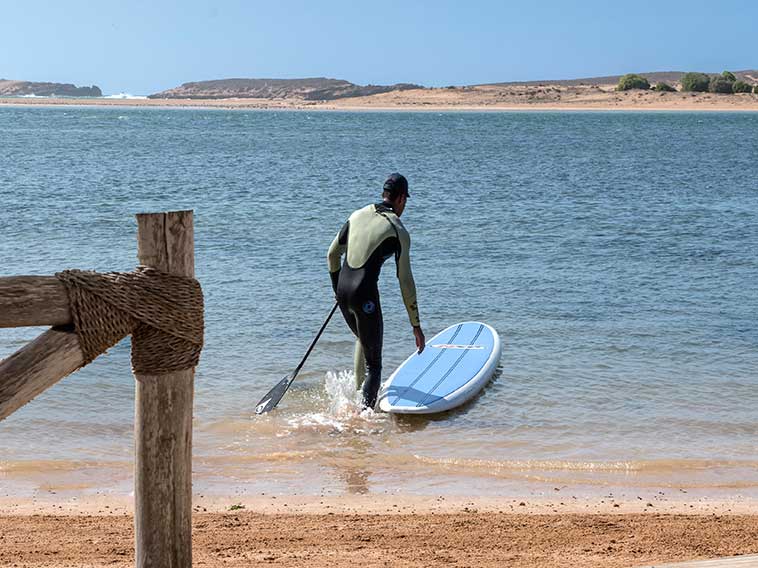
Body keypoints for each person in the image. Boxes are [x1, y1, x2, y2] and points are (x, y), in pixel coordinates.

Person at [327, 173, 425, 410]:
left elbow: (332, 255)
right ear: (401, 198)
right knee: (375, 365)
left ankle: (358, 397)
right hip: (364, 297)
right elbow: (405, 280)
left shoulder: (357, 215)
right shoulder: (398, 229)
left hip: (342, 292)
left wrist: (337, 289)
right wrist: (416, 325)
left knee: (363, 337)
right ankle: (364, 418)